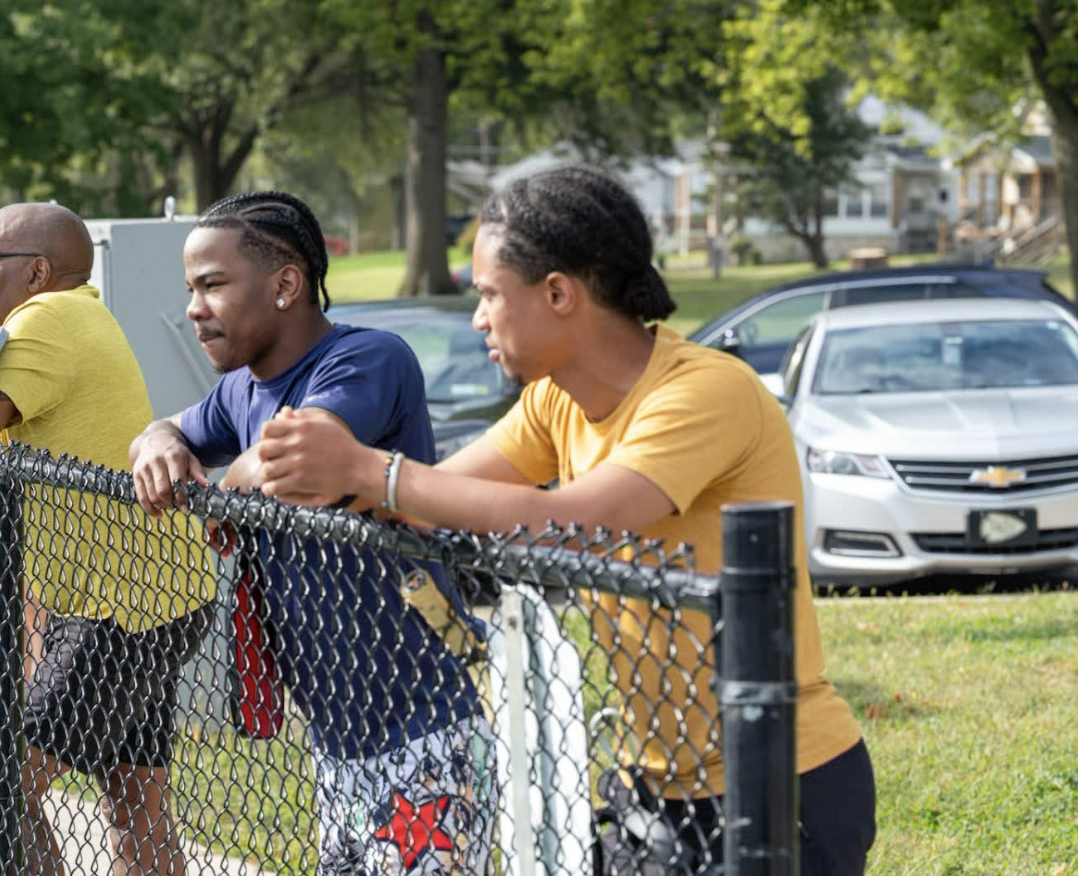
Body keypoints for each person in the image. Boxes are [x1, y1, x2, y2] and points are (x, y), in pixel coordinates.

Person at [251, 167, 876, 875]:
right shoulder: (557, 401)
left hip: (778, 782)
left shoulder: (705, 390)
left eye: (488, 294)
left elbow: (575, 523)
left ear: (557, 293)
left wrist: (370, 470)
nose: (478, 318)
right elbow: (434, 498)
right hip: (654, 788)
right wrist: (305, 466)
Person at [129, 191, 498, 876]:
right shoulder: (240, 388)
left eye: (212, 285)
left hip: (421, 730)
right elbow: (177, 427)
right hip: (335, 742)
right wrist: (156, 440)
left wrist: (223, 494)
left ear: (286, 285)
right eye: (189, 289)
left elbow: (295, 455)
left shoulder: (365, 360)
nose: (193, 308)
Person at [0, 202, 215, 876]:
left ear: (36, 271)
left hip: (121, 610)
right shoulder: (81, 312)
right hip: (163, 593)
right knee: (134, 800)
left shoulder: (47, 319)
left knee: (1, 789)